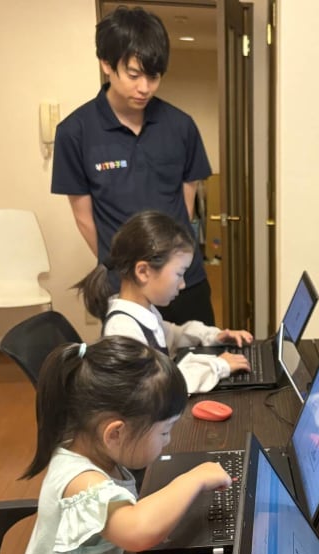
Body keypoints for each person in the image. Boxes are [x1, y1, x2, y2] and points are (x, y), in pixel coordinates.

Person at [0, 336, 232, 554]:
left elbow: (130, 514)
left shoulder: (92, 453)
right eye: (164, 432)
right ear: (115, 434)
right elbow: (137, 530)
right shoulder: (78, 481)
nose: (168, 441)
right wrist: (193, 479)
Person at [52, 6, 215, 325]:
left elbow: (187, 204)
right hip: (126, 289)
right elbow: (84, 218)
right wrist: (125, 267)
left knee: (202, 352)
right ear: (106, 64)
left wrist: (170, 265)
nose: (145, 88)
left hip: (185, 282)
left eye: (153, 76)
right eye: (134, 74)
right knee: (135, 359)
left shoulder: (181, 126)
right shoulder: (75, 132)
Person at [74, 210, 253, 394]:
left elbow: (171, 335)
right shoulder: (123, 329)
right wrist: (218, 366)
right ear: (143, 271)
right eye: (179, 274)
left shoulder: (144, 310)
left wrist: (213, 336)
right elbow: (158, 387)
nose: (183, 284)